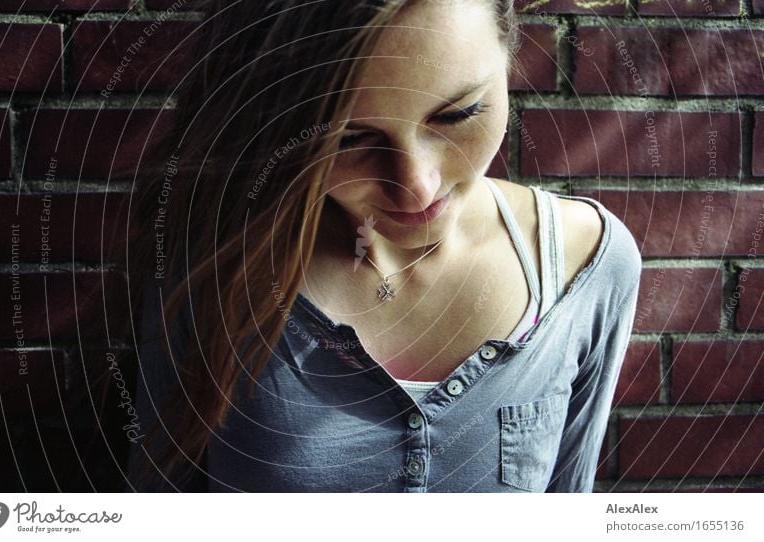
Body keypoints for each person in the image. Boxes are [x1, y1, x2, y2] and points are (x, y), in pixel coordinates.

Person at [122, 0, 642, 492]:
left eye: (458, 114)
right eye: (348, 138)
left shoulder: (588, 264)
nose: (417, 186)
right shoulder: (212, 265)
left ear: (509, 52)